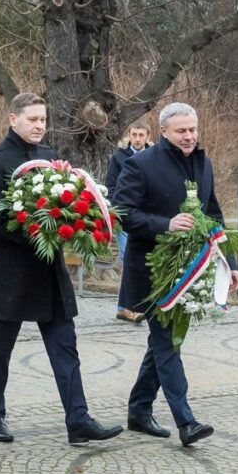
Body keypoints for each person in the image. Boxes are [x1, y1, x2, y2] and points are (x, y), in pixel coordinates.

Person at [0, 93, 123, 445]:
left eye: (43, 119)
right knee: (2, 346)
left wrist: (74, 223)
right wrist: (41, 232)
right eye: (32, 119)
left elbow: (69, 203)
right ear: (14, 120)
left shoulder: (50, 158)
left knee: (65, 344)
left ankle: (78, 419)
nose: (39, 125)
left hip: (49, 272)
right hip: (12, 271)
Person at [113, 102, 238, 446]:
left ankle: (139, 410)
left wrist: (231, 263)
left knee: (165, 342)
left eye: (193, 129)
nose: (189, 136)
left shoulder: (203, 162)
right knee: (168, 341)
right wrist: (164, 225)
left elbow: (213, 214)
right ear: (164, 132)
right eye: (181, 130)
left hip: (191, 269)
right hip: (153, 272)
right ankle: (186, 421)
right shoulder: (140, 164)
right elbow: (122, 212)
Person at [106, 121, 151, 323]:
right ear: (129, 136)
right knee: (129, 259)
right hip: (127, 216)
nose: (138, 138)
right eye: (135, 134)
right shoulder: (119, 158)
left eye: (142, 134)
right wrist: (120, 210)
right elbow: (111, 185)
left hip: (149, 217)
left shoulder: (155, 156)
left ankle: (142, 305)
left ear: (148, 136)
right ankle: (126, 307)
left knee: (145, 260)